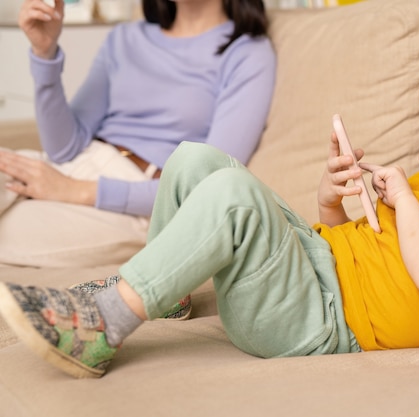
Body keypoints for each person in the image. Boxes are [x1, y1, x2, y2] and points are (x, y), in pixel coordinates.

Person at [0, 40, 419, 378]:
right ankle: (168, 286)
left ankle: (105, 321)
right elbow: (356, 244)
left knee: (233, 198)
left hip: (319, 321)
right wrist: (331, 204)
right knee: (195, 159)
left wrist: (406, 200)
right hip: (313, 266)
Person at [0, 0, 276, 268]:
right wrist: (44, 53)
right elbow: (63, 148)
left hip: (144, 200)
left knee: (13, 230)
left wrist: (75, 191)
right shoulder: (125, 37)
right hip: (73, 164)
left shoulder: (247, 52)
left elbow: (208, 183)